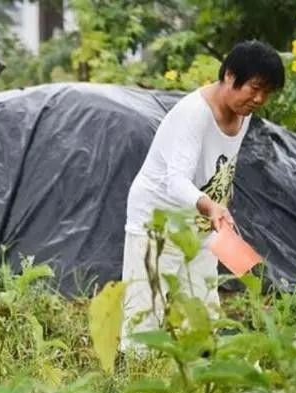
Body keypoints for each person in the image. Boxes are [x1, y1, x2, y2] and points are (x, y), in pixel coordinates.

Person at [121, 40, 284, 350]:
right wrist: (211, 206)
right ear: (229, 76)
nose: (259, 98)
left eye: (267, 92)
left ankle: (201, 381)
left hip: (199, 221)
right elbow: (175, 181)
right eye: (255, 87)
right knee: (145, 311)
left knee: (204, 311)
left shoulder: (243, 113)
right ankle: (131, 379)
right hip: (157, 219)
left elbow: (221, 167)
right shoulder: (194, 115)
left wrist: (219, 207)